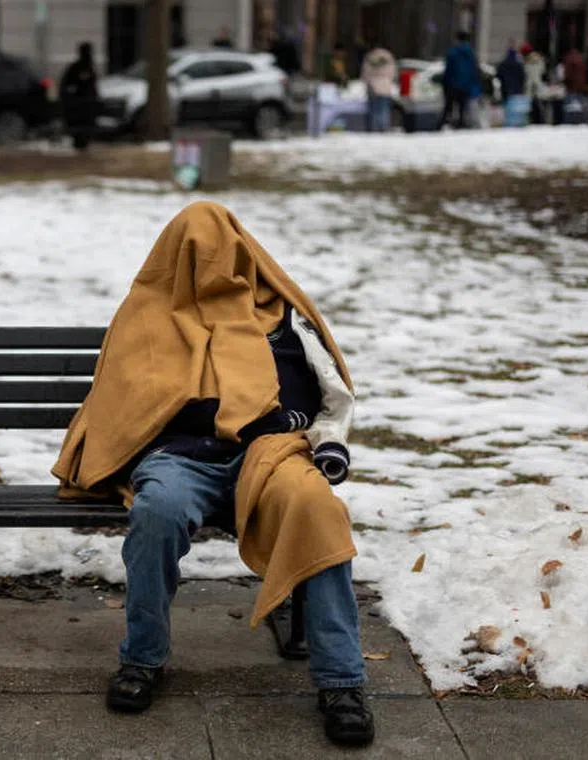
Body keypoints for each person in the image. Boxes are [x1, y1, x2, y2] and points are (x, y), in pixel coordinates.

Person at [53, 201, 374, 748]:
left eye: (224, 254)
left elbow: (329, 397)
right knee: (156, 513)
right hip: (181, 458)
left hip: (274, 453)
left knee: (319, 509)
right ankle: (142, 660)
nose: (214, 266)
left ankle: (342, 682)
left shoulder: (281, 315)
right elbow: (121, 404)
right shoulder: (148, 316)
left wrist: (319, 439)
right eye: (197, 256)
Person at [60, 42, 100, 151]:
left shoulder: (89, 67)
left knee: (85, 130)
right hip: (79, 105)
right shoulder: (76, 68)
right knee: (80, 131)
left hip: (87, 105)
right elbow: (67, 85)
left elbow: (92, 86)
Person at [438, 31, 482, 129]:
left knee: (448, 106)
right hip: (466, 86)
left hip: (453, 84)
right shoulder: (471, 54)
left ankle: (443, 124)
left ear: (457, 39)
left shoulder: (453, 53)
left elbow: (448, 70)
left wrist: (445, 83)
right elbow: (475, 71)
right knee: (462, 108)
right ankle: (461, 124)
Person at [361, 45, 396, 132]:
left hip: (373, 88)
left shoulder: (370, 58)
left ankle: (374, 128)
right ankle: (383, 128)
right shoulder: (388, 58)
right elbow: (393, 74)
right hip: (386, 88)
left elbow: (365, 74)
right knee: (384, 110)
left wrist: (367, 83)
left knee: (374, 110)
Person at [522, 42, 547, 125]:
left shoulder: (527, 61)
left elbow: (529, 75)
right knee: (539, 106)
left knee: (531, 107)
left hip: (531, 86)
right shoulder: (540, 59)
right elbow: (543, 71)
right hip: (538, 85)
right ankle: (541, 121)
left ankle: (533, 121)